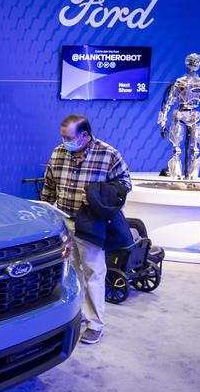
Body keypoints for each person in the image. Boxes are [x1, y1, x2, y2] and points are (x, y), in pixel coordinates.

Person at [41, 114, 132, 344]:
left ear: (85, 135)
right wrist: (45, 213)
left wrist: (98, 194)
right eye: (62, 137)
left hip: (90, 224)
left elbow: (125, 184)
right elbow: (49, 186)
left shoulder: (108, 154)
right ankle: (75, 315)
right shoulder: (58, 153)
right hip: (62, 221)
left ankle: (95, 324)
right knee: (70, 273)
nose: (64, 142)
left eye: (68, 137)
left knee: (93, 272)